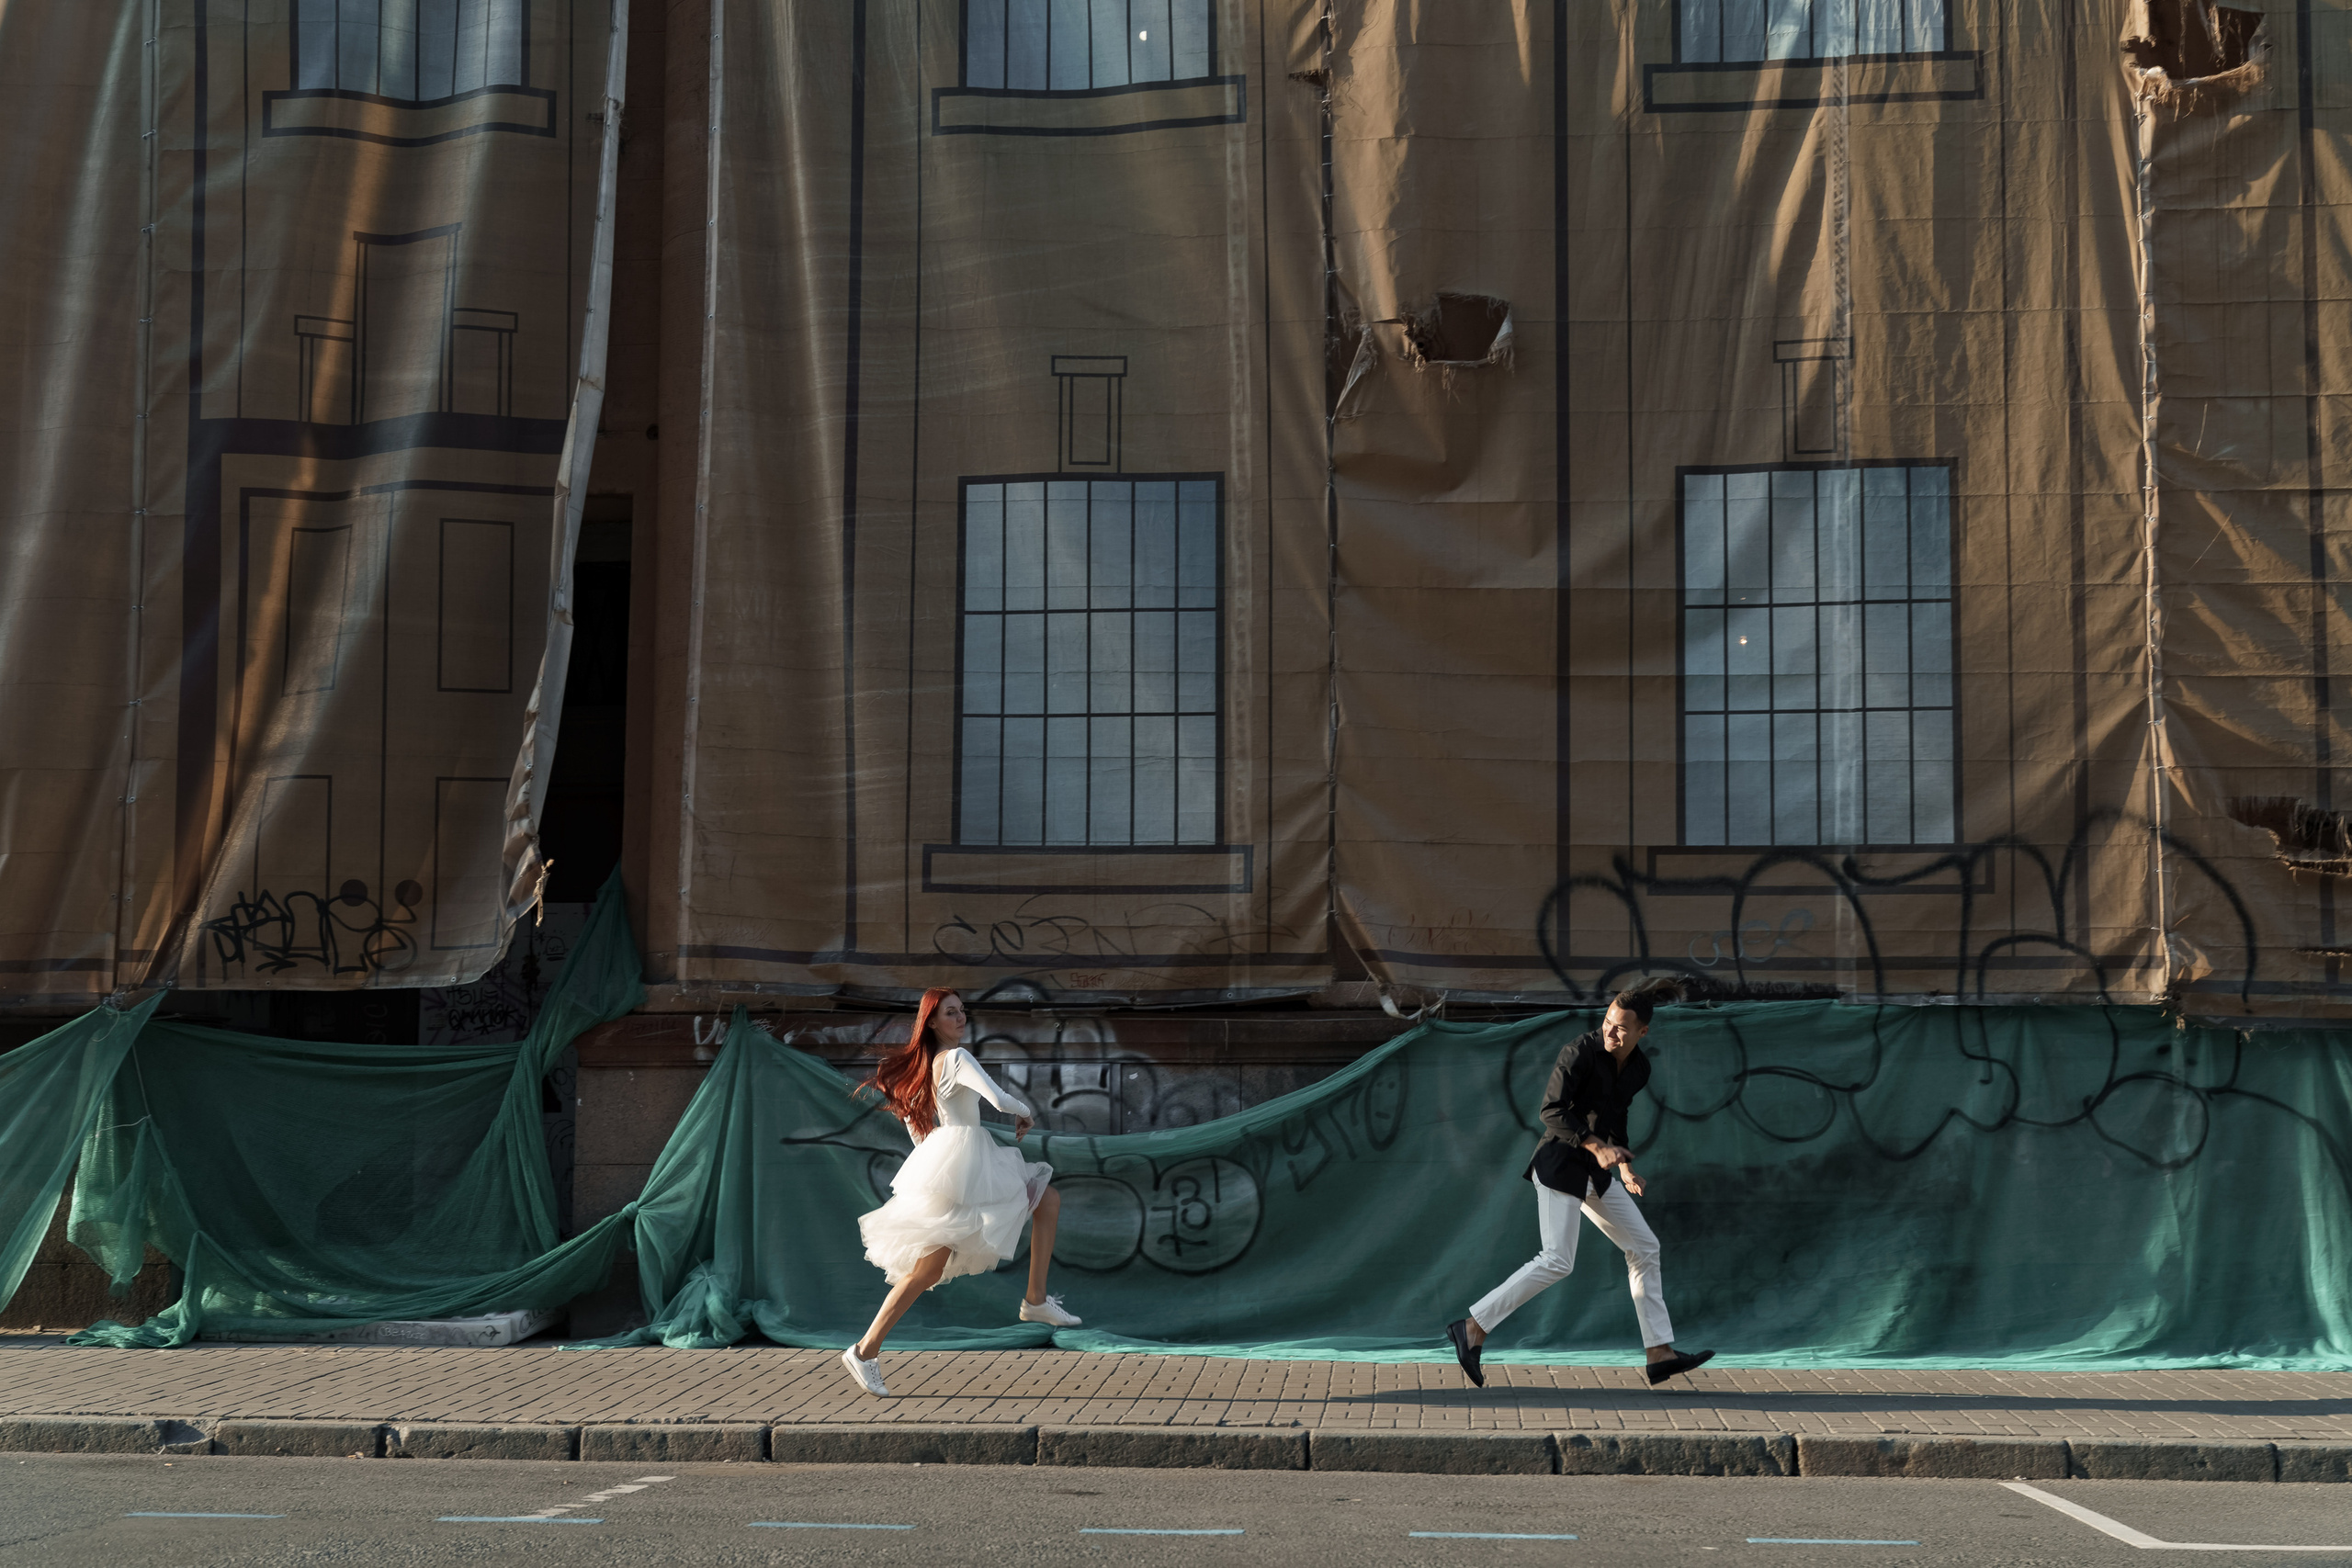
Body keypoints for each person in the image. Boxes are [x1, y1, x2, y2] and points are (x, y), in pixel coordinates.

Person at [1445, 978, 1713, 1388]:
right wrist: (1596, 1146)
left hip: (1596, 1173)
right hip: (1558, 1164)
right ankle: (1472, 1327)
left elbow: (1617, 1114)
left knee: (1645, 1247)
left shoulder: (1638, 1068)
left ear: (1642, 1032)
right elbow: (1551, 1110)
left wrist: (1624, 1166)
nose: (1611, 1032)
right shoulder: (1579, 1052)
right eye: (1608, 1022)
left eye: (1621, 1028)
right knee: (1558, 1259)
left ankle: (1659, 1353)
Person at [842, 988, 1080, 1396]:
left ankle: (1035, 1299)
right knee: (926, 1271)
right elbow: (999, 1099)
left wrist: (939, 1166)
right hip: (963, 1162)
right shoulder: (956, 1058)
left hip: (954, 1162)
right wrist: (1026, 1113)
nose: (960, 1018)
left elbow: (917, 1131)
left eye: (962, 1011)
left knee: (1045, 1199)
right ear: (932, 1022)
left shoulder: (928, 1066)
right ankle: (864, 1351)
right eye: (950, 1013)